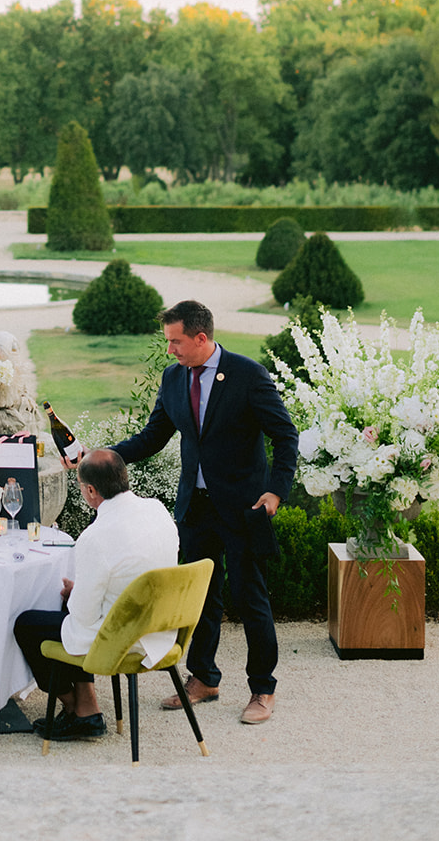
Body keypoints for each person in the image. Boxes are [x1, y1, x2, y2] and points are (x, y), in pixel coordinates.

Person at [111, 300, 298, 725]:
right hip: (196, 510)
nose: (170, 350)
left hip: (245, 508)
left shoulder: (248, 375)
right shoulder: (174, 378)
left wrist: (276, 491)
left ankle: (262, 689)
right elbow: (153, 436)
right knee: (200, 599)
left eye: (176, 342)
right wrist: (105, 455)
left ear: (201, 337)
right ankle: (204, 679)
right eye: (168, 342)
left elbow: (286, 436)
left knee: (250, 599)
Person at [13, 448, 179, 740]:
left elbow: (83, 614)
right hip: (161, 628)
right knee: (74, 605)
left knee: (27, 624)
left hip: (124, 638)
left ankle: (76, 707)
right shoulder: (157, 509)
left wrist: (75, 595)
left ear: (90, 490)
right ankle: (86, 710)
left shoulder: (95, 536)